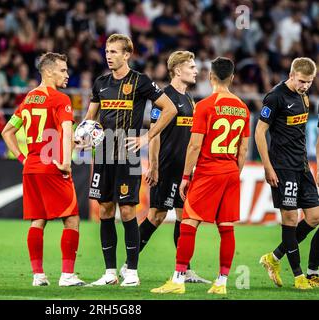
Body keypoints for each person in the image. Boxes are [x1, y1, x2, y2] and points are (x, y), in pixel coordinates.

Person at [83, 33, 178, 287]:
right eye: (106, 52)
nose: (108, 56)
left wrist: (147, 136)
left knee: (127, 211)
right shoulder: (100, 83)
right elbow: (91, 117)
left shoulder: (140, 81)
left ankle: (132, 272)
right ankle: (110, 273)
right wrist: (83, 134)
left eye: (114, 52)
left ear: (127, 54)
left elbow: (170, 109)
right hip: (103, 153)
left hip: (129, 154)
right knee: (104, 209)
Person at [151, 57, 250, 295]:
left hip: (207, 171)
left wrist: (186, 177)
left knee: (188, 223)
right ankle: (222, 283)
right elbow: (243, 149)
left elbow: (194, 146)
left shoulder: (205, 106)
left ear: (211, 77)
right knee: (226, 228)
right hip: (230, 172)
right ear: (232, 78)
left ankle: (177, 280)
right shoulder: (243, 107)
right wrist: (234, 173)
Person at [122, 51, 209, 284]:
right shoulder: (165, 97)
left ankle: (185, 270)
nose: (195, 70)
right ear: (177, 70)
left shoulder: (189, 99)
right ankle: (128, 265)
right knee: (157, 216)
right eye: (191, 66)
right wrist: (153, 166)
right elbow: (156, 134)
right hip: (167, 167)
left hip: (184, 171)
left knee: (185, 218)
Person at [2, 52, 85, 287]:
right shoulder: (60, 99)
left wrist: (22, 158)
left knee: (37, 220)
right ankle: (67, 276)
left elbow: (7, 132)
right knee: (72, 219)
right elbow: (67, 130)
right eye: (63, 70)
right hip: (53, 168)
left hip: (31, 167)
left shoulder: (28, 99)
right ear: (48, 71)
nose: (67, 75)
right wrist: (67, 160)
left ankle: (38, 276)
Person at [255, 57, 319, 290]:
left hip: (302, 166)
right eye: (302, 81)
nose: (306, 86)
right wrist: (267, 166)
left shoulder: (304, 98)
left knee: (314, 217)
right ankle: (299, 276)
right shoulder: (275, 97)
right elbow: (260, 133)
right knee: (290, 220)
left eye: (310, 82)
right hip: (282, 168)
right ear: (291, 75)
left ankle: (273, 257)